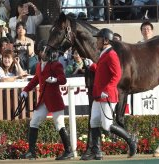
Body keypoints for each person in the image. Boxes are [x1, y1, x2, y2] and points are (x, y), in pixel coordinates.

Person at [81, 28, 137, 160]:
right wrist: (92, 66)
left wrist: (107, 89)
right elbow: (101, 70)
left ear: (106, 40)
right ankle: (96, 151)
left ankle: (131, 140)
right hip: (98, 95)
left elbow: (117, 75)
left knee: (107, 125)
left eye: (99, 39)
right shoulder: (104, 53)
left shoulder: (111, 54)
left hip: (107, 95)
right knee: (94, 121)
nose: (96, 42)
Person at [20, 39, 74, 160]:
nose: (41, 53)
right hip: (43, 100)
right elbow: (35, 80)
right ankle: (31, 152)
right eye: (41, 51)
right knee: (34, 122)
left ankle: (69, 151)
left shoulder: (56, 65)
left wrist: (55, 80)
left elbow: (63, 79)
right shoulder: (39, 65)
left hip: (54, 101)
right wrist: (25, 90)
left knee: (59, 125)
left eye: (43, 51)